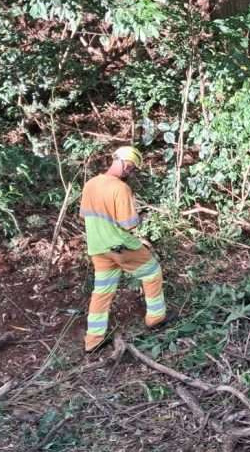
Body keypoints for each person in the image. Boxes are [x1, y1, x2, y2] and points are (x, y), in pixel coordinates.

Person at [79, 146, 167, 353]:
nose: (130, 171)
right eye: (131, 167)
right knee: (152, 272)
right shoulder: (120, 188)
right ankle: (156, 318)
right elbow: (129, 224)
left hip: (98, 248)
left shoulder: (91, 184)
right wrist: (140, 216)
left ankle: (93, 340)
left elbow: (84, 215)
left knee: (102, 290)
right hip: (120, 246)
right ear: (125, 164)